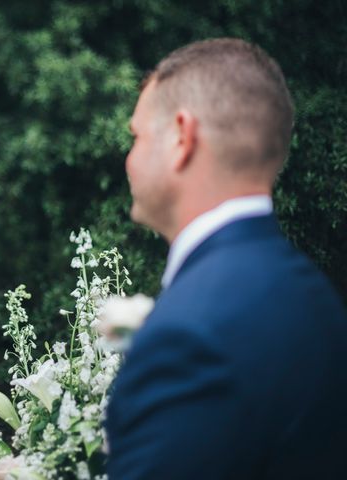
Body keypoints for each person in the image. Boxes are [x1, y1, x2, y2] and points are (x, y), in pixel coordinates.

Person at [106, 38, 347, 479]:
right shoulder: (318, 297)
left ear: (182, 136)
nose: (128, 158)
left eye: (136, 137)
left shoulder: (186, 336)